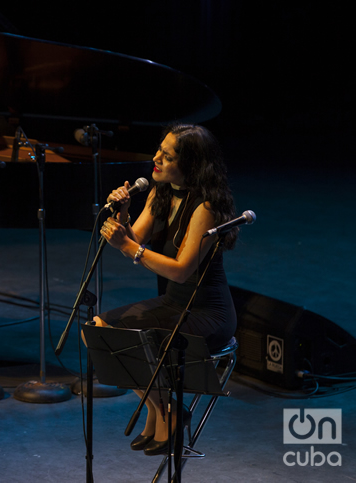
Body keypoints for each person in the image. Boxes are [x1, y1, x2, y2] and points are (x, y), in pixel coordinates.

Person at [93, 124, 238, 456]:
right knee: (101, 328)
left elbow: (182, 270)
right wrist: (124, 212)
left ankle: (166, 414)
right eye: (159, 150)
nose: (155, 158)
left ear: (190, 164)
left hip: (207, 312)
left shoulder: (205, 207)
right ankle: (162, 411)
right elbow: (136, 237)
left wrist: (129, 249)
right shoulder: (162, 190)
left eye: (167, 156)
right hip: (174, 302)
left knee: (134, 338)